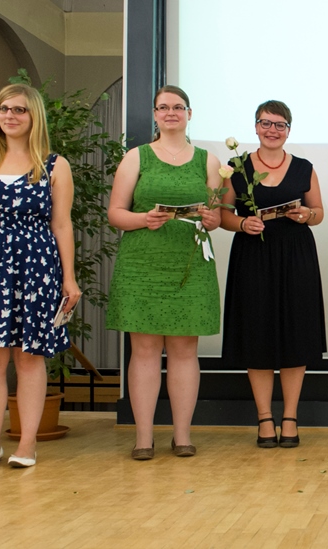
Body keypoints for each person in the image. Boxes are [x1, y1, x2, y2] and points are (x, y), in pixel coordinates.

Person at [0, 83, 81, 469]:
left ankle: (27, 443)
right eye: (3, 108)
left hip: (36, 264)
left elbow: (62, 224)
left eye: (19, 109)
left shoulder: (54, 165)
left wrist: (69, 278)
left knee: (29, 356)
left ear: (33, 115)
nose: (10, 115)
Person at [107, 85, 223, 460]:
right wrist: (144, 219)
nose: (170, 112)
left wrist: (212, 218)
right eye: (163, 107)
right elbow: (115, 214)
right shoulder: (135, 157)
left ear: (189, 113)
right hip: (143, 264)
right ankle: (143, 438)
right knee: (143, 351)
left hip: (190, 264)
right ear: (155, 114)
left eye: (178, 106)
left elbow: (217, 215)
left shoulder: (208, 161)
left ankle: (182, 436)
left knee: (184, 350)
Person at [220, 100, 326, 448]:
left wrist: (306, 216)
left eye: (280, 125)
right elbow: (222, 215)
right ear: (255, 127)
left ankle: (290, 417)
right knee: (257, 334)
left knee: (296, 334)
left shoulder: (304, 167)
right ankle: (265, 418)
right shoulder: (236, 167)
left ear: (288, 130)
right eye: (266, 123)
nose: (272, 130)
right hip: (253, 256)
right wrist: (241, 223)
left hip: (296, 257)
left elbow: (319, 212)